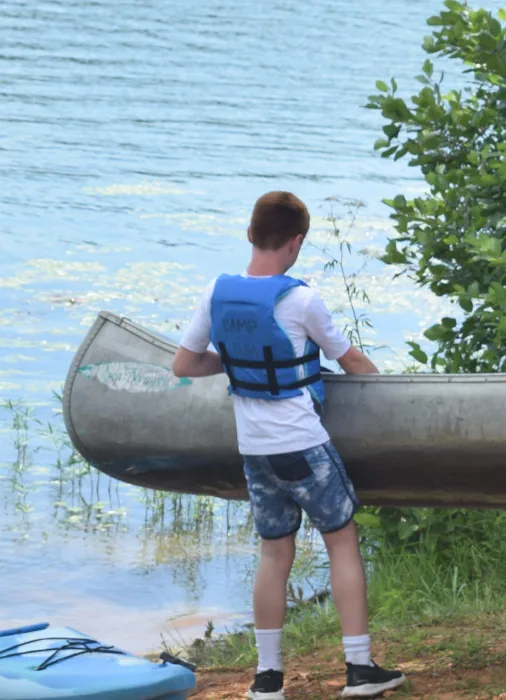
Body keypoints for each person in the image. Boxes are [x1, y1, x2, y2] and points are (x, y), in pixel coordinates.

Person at [171, 192, 408, 698]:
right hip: (302, 445)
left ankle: (267, 679)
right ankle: (359, 668)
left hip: (254, 451)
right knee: (341, 540)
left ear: (250, 234)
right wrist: (395, 400)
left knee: (275, 553)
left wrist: (234, 362)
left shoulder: (216, 292)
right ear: (296, 243)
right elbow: (351, 361)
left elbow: (184, 365)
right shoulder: (301, 301)